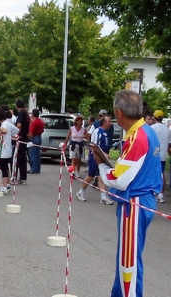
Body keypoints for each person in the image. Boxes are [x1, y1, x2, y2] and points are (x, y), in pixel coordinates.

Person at [93, 90, 161, 297]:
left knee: (128, 262)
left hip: (134, 202)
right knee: (128, 258)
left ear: (118, 112)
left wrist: (102, 167)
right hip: (142, 200)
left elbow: (119, 180)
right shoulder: (147, 132)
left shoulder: (137, 137)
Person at [76, 115, 114, 205]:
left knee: (101, 177)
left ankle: (103, 197)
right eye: (109, 121)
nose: (110, 123)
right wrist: (103, 154)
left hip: (102, 159)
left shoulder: (107, 132)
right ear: (104, 122)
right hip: (95, 157)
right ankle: (80, 192)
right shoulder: (97, 131)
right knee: (91, 176)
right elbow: (94, 145)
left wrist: (105, 155)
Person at [0, 107, 19, 195]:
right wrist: (12, 135)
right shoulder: (8, 123)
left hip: (3, 151)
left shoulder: (4, 124)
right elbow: (17, 130)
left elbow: (4, 130)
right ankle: (5, 186)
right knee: (4, 167)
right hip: (6, 150)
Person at [150, 110, 171, 203]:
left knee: (152, 173)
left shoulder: (152, 128)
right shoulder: (167, 129)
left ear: (154, 117)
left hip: (154, 154)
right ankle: (161, 194)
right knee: (161, 173)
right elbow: (169, 144)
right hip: (163, 155)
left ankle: (153, 192)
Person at [15, 98, 30, 184]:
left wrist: (16, 132)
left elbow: (19, 125)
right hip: (25, 137)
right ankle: (23, 177)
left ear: (17, 105)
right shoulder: (26, 113)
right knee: (23, 157)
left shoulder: (21, 113)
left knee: (18, 157)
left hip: (21, 137)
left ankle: (15, 176)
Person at [27, 109, 44, 174]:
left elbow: (31, 132)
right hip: (39, 137)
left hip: (34, 138)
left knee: (32, 154)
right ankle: (37, 168)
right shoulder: (40, 121)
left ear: (33, 114)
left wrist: (29, 139)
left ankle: (33, 168)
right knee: (37, 154)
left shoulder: (34, 122)